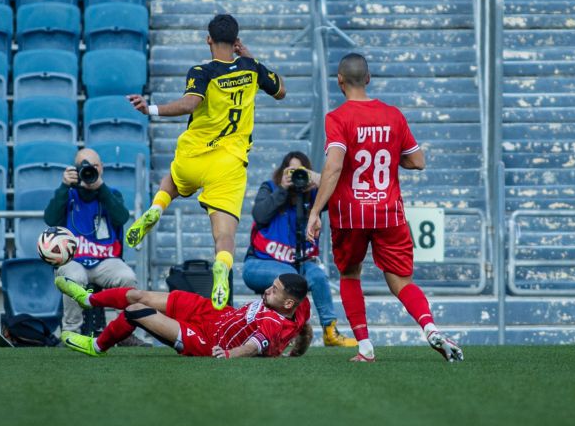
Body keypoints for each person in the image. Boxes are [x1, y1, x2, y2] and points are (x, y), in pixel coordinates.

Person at [306, 53, 463, 363]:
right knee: (401, 281)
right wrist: (390, 154)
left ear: (339, 81)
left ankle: (365, 347)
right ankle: (429, 327)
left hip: (350, 213)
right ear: (368, 78)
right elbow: (418, 161)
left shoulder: (337, 118)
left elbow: (334, 165)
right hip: (388, 211)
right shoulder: (393, 115)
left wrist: (315, 211)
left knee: (350, 274)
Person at [124, 14, 286, 310]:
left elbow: (189, 104)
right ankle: (221, 267)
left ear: (208, 39)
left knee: (171, 181)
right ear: (236, 41)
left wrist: (151, 109)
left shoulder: (202, 70)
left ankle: (156, 209)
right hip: (229, 163)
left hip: (195, 154)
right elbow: (280, 91)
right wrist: (250, 56)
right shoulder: (251, 68)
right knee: (224, 235)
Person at [244, 151, 357, 348]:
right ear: (282, 172)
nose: (296, 175)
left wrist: (319, 181)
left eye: (301, 171)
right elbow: (259, 215)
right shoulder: (270, 188)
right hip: (259, 263)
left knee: (318, 277)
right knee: (289, 276)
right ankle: (285, 331)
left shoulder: (313, 195)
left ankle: (330, 332)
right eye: (291, 171)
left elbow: (345, 193)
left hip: (299, 264)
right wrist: (282, 190)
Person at [55, 273, 311, 359]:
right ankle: (88, 299)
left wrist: (230, 354)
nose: (267, 290)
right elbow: (304, 323)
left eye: (274, 290)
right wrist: (299, 347)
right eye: (272, 285)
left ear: (287, 302)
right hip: (215, 314)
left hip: (207, 341)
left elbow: (255, 345)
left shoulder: (272, 323)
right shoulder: (299, 306)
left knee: (134, 312)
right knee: (139, 295)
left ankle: (96, 346)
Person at [44, 147, 136, 334]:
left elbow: (122, 218)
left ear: (101, 168)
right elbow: (50, 220)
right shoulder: (68, 194)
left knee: (128, 277)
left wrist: (100, 188)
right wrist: (64, 187)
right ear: (75, 170)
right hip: (73, 260)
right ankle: (71, 332)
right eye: (83, 167)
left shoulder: (112, 193)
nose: (89, 170)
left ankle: (125, 333)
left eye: (93, 166)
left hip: (105, 261)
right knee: (75, 278)